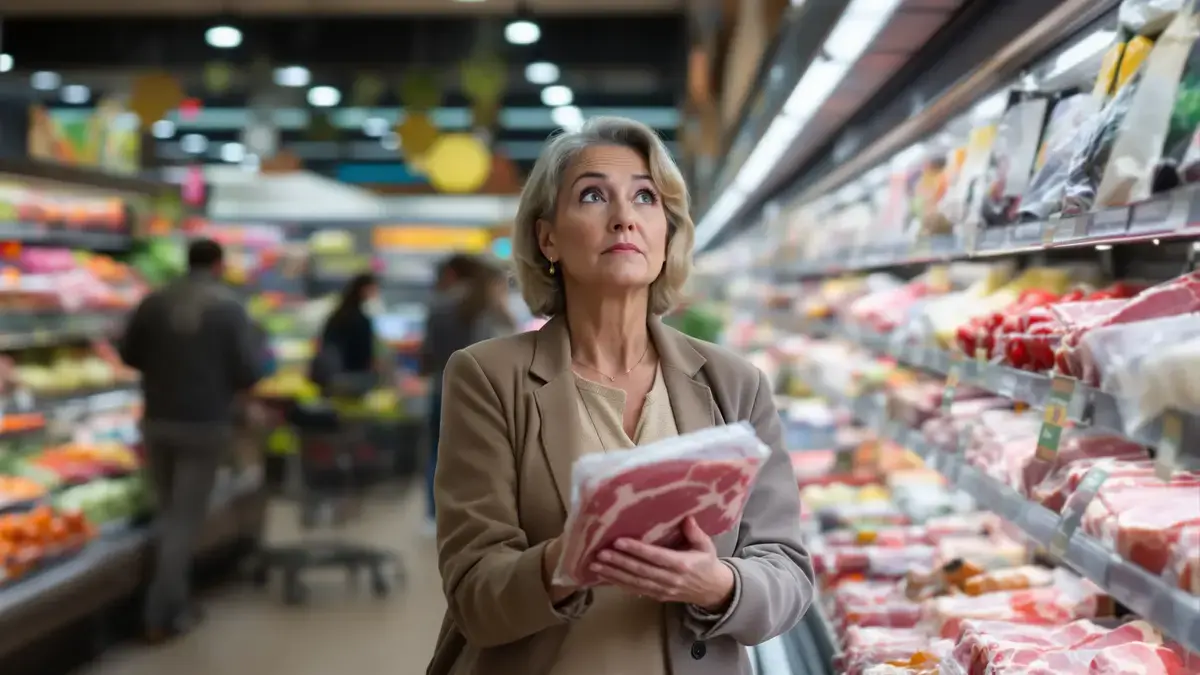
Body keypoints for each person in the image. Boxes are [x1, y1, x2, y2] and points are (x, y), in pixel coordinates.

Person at [427, 117, 814, 675]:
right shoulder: (488, 377)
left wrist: (718, 584)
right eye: (592, 195)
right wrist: (568, 559)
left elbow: (787, 570)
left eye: (645, 197)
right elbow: (473, 594)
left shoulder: (734, 383)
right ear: (548, 237)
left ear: (667, 234)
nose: (624, 217)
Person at [119, 238, 267, 642]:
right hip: (204, 425)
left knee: (169, 514)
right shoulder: (229, 307)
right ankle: (163, 614)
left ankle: (171, 601)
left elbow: (128, 354)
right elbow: (248, 370)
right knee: (183, 521)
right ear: (218, 265)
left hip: (157, 420)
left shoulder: (154, 302)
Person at [419, 256, 515, 532]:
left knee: (437, 453)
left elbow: (426, 355)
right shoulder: (488, 309)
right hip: (481, 394)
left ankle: (433, 515)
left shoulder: (439, 305)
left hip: (442, 387)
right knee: (481, 455)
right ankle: (477, 515)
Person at [311, 272, 381, 397]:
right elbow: (364, 354)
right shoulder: (360, 320)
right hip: (352, 379)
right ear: (364, 289)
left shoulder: (337, 315)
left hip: (329, 377)